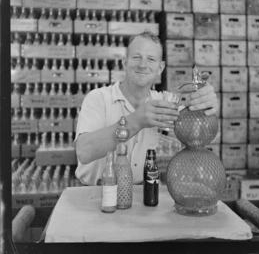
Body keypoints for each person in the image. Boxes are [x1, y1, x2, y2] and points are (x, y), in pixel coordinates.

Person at [75, 31, 218, 185]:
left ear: (160, 68)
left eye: (151, 59)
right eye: (136, 57)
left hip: (142, 194)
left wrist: (206, 107)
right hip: (95, 194)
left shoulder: (165, 102)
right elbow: (83, 152)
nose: (143, 65)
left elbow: (202, 137)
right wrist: (136, 121)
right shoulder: (99, 98)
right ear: (125, 62)